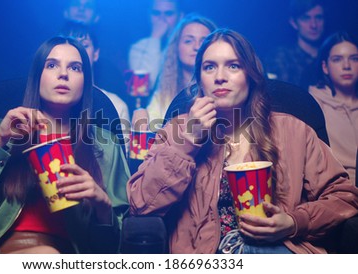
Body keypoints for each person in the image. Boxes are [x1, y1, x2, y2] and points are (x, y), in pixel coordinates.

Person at [127, 28, 358, 254]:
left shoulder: (293, 130)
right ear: (200, 80)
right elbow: (141, 204)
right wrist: (187, 140)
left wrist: (293, 222)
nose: (220, 77)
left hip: (276, 252)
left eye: (233, 66)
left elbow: (344, 197)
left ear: (251, 75)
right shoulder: (176, 130)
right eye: (209, 67)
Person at [0, 36, 130, 254]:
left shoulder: (105, 146)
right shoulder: (1, 132)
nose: (63, 74)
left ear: (85, 82)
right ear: (37, 77)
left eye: (75, 68)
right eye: (52, 65)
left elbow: (116, 245)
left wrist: (101, 203)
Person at [58, 20, 130, 144]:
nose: (76, 51)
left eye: (84, 45)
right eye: (71, 45)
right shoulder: (46, 102)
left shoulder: (116, 105)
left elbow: (120, 160)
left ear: (96, 54)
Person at [146, 13, 216, 125]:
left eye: (203, 42)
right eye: (188, 41)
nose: (196, 47)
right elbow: (152, 131)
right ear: (176, 47)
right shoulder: (164, 93)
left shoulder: (221, 89)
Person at [308, 31, 358, 185]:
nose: (346, 66)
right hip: (339, 190)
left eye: (354, 59)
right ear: (325, 67)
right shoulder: (313, 105)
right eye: (337, 60)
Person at [265, 0, 325, 87]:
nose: (313, 25)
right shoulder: (281, 56)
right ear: (293, 23)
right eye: (306, 18)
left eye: (319, 17)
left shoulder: (330, 55)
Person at [128, 0, 183, 89]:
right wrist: (155, 38)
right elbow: (142, 86)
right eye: (156, 13)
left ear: (180, 16)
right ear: (149, 16)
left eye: (168, 14)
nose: (162, 19)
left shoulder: (188, 46)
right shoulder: (138, 47)